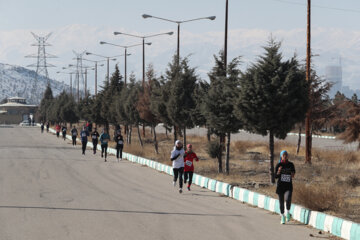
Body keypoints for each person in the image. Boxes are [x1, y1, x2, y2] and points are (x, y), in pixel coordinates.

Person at [275, 150, 296, 224]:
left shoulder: (291, 164)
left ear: (287, 156)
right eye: (283, 155)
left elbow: (293, 175)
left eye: (286, 155)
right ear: (281, 156)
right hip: (280, 186)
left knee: (288, 198)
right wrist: (278, 171)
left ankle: (288, 212)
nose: (285, 156)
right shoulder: (279, 165)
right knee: (281, 202)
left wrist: (292, 174)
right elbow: (275, 176)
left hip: (288, 186)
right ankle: (282, 216)